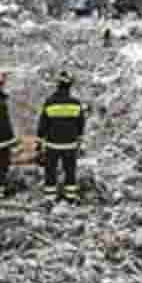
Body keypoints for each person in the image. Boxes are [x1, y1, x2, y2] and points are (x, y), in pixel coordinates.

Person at [36, 69, 86, 201]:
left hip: (52, 145)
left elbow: (43, 125)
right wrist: (79, 141)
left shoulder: (50, 102)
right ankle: (70, 197)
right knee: (70, 171)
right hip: (70, 144)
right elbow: (81, 124)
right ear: (70, 86)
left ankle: (50, 197)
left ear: (57, 85)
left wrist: (39, 144)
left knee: (50, 171)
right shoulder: (75, 103)